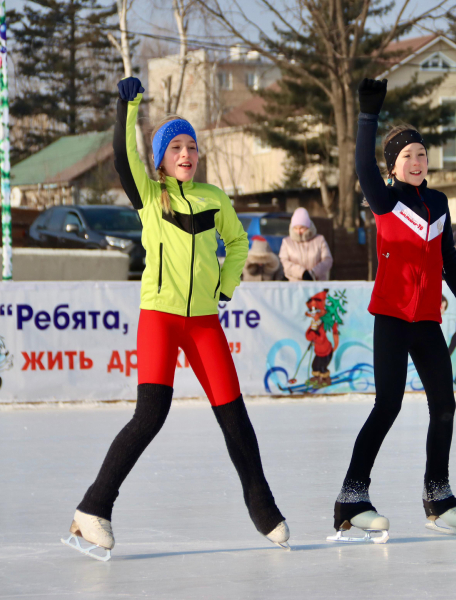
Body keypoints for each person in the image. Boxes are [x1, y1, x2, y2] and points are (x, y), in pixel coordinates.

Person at [63, 77, 289, 561]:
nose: (186, 154)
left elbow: (239, 245)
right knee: (150, 415)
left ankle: (263, 507)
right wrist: (129, 107)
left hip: (205, 319)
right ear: (162, 159)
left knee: (235, 416)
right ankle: (92, 508)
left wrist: (224, 287)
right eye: (176, 147)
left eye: (192, 146)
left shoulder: (214, 199)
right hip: (161, 317)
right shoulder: (150, 196)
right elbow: (125, 157)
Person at [328, 78, 456, 544]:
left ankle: (438, 495)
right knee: (388, 405)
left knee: (445, 405)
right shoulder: (386, 200)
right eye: (407, 157)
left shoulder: (437, 203)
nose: (417, 162)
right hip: (393, 318)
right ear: (394, 166)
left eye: (421, 154)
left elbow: (449, 260)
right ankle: (352, 496)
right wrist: (367, 116)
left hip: (428, 321)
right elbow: (361, 166)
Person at [279, 207, 333, 281]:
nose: (298, 231)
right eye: (295, 228)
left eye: (302, 228)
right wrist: (302, 273)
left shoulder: (320, 240)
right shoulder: (287, 242)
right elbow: (284, 263)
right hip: (295, 285)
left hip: (317, 284)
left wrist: (313, 273)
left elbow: (327, 260)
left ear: (308, 227)